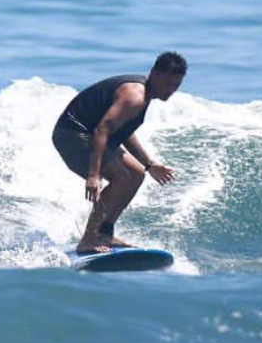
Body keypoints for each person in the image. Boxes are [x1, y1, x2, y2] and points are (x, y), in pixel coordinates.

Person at [52, 52, 186, 254]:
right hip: (72, 135)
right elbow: (102, 130)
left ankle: (105, 233)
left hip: (89, 135)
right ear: (153, 74)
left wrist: (149, 165)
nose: (170, 90)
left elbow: (122, 130)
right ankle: (88, 239)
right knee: (122, 178)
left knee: (137, 174)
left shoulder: (144, 94)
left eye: (176, 86)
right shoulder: (134, 97)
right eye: (167, 83)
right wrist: (93, 175)